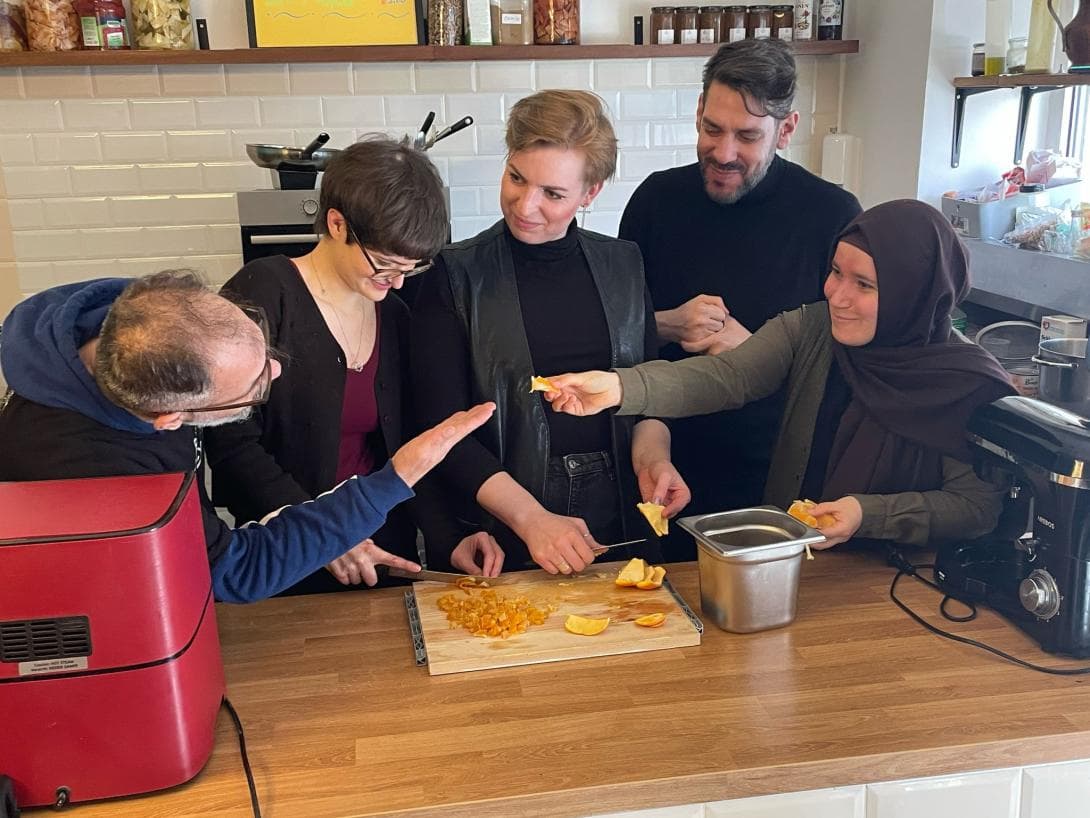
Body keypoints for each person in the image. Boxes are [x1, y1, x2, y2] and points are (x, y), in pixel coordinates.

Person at [544, 200, 1017, 550]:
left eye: (865, 285)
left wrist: (864, 514)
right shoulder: (812, 329)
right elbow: (726, 376)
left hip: (903, 589)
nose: (838, 295)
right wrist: (618, 387)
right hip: (795, 566)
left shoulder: (964, 382)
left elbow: (976, 508)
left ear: (916, 294)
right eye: (835, 272)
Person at [0, 270, 495, 603]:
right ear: (169, 419)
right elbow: (233, 571)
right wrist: (396, 477)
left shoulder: (141, 322)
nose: (277, 372)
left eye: (264, 350)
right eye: (254, 389)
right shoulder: (88, 467)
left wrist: (325, 533)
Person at [411, 90, 688, 576]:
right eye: (517, 177)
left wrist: (653, 460)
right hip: (504, 518)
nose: (525, 205)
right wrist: (532, 519)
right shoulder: (454, 275)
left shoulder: (624, 264)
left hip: (619, 506)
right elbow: (443, 432)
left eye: (553, 194)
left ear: (591, 192)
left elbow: (648, 395)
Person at [204, 137, 496, 592]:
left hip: (381, 552)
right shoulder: (264, 294)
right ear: (337, 224)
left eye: (411, 268)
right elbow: (230, 443)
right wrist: (323, 534)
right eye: (384, 264)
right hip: (285, 554)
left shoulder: (394, 314)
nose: (397, 281)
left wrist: (448, 534)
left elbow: (403, 447)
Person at [618, 38, 862, 555]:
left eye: (747, 136)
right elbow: (620, 337)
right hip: (661, 461)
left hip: (778, 478)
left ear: (786, 129)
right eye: (712, 129)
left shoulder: (831, 215)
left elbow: (845, 371)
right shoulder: (655, 201)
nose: (724, 153)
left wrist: (759, 355)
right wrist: (667, 324)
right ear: (698, 112)